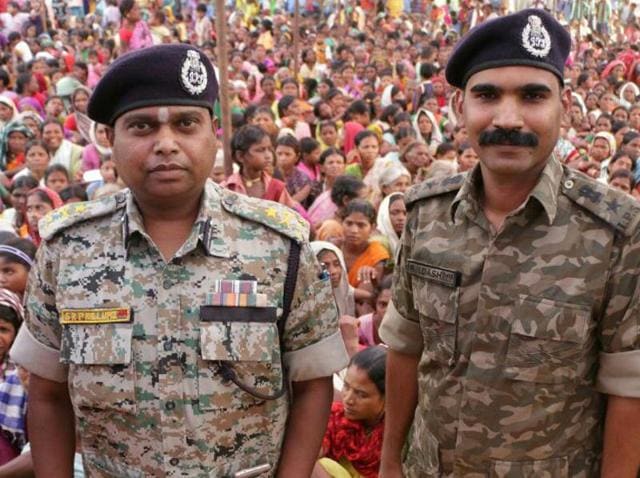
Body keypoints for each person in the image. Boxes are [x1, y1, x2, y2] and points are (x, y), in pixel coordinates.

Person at [10, 44, 348, 478]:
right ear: (110, 139)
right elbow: (48, 395)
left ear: (214, 132)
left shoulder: (278, 245)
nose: (165, 144)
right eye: (142, 126)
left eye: (186, 124)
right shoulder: (67, 249)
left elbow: (312, 386)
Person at [379, 9, 640, 477]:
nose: (507, 117)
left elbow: (628, 388)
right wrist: (389, 463)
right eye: (487, 95)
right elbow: (406, 348)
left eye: (533, 96)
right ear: (461, 106)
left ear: (564, 104)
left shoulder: (617, 233)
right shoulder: (426, 215)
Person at [313, 346, 386, 478]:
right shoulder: (337, 417)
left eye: (361, 394)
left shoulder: (396, 433)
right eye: (346, 386)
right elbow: (313, 451)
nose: (348, 399)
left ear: (387, 397)